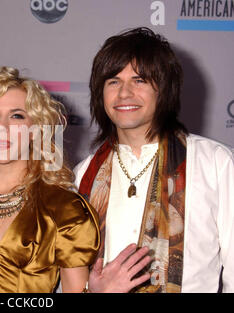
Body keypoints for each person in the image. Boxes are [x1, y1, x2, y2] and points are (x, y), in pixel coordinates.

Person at [75, 27, 234, 292]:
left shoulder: (215, 163)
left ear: (164, 90)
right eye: (113, 81)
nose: (124, 93)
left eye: (139, 80)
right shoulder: (85, 174)